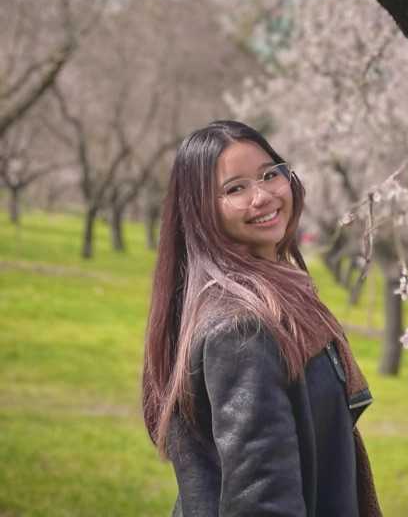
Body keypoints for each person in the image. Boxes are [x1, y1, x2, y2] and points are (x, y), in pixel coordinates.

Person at [142, 120, 382, 516]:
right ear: (201, 210)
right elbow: (262, 498)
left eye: (270, 175)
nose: (263, 196)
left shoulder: (286, 299)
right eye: (235, 188)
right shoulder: (241, 330)